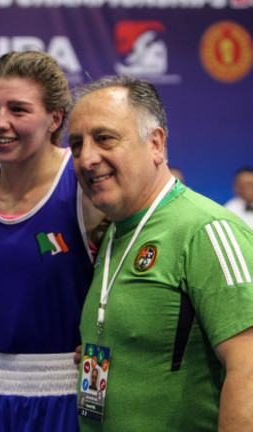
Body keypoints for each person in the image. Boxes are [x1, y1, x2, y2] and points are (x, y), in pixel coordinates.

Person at [69, 75, 253, 431]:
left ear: (155, 144)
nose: (87, 158)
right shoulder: (116, 232)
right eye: (76, 144)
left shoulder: (207, 230)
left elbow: (248, 368)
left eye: (104, 138)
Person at [0, 51, 106, 432]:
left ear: (55, 118)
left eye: (18, 110)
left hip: (70, 393)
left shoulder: (82, 183)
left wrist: (107, 353)